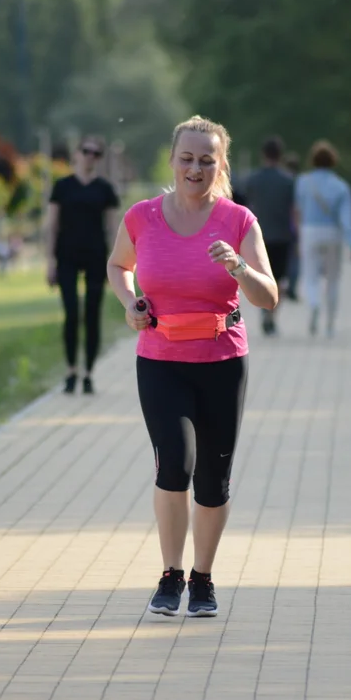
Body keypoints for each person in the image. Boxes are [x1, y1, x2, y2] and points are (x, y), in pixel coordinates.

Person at [106, 115, 278, 618]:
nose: (195, 167)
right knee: (174, 466)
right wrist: (130, 301)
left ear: (220, 164)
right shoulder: (142, 217)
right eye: (187, 158)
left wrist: (237, 267)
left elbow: (268, 297)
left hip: (223, 362)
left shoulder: (239, 221)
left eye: (207, 159)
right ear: (173, 160)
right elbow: (119, 266)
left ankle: (202, 578)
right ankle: (170, 574)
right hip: (161, 361)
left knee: (213, 481)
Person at [46, 136, 121, 394]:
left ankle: (88, 372)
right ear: (76, 154)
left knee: (92, 313)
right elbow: (52, 226)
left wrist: (116, 263)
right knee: (71, 313)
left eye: (96, 153)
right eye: (86, 151)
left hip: (96, 256)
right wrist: (49, 262)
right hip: (66, 255)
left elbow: (113, 229)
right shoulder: (62, 186)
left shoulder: (104, 189)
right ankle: (70, 370)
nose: (91, 156)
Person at [293, 140, 351, 338]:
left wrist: (298, 236)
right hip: (333, 233)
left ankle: (314, 304)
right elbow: (346, 219)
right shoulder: (341, 186)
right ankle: (330, 325)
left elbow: (298, 210)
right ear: (333, 161)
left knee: (310, 275)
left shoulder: (303, 182)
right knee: (333, 280)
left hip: (309, 231)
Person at [245, 136, 296, 335]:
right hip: (282, 236)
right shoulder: (288, 181)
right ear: (280, 155)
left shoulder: (253, 180)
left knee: (259, 276)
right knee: (280, 279)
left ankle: (263, 310)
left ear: (262, 154)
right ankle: (271, 316)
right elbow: (294, 211)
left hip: (258, 235)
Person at [283, 152, 302, 301]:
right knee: (294, 259)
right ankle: (292, 287)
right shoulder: (298, 183)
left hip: (282, 225)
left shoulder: (282, 180)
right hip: (295, 226)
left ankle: (282, 284)